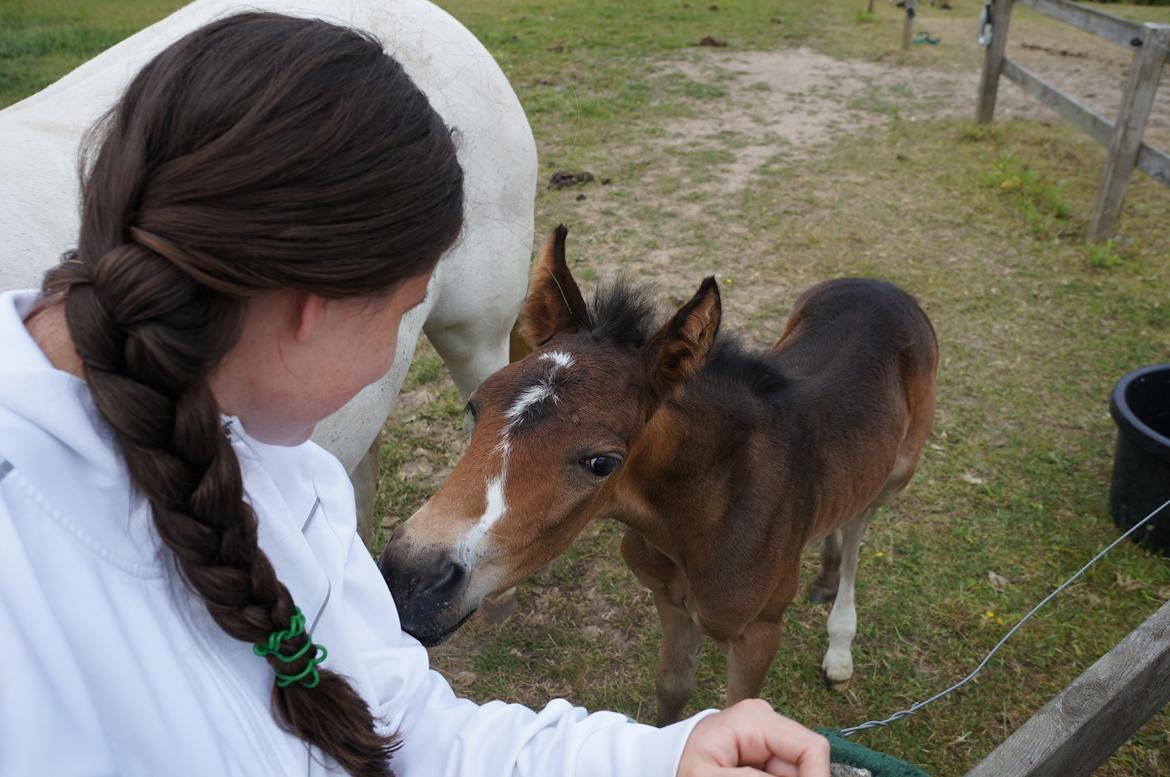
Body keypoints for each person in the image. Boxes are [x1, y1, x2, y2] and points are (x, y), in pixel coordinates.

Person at [0, 13, 830, 777]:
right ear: (314, 305)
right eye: (401, 313)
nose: (385, 364)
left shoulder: (291, 476)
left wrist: (657, 757)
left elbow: (401, 722)